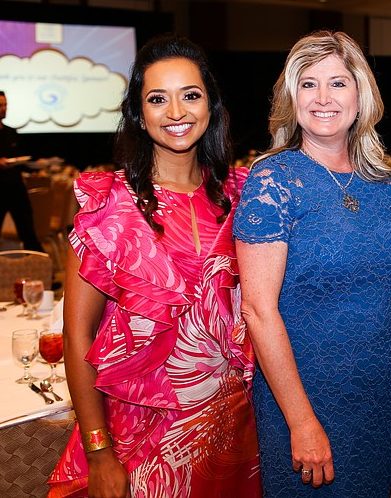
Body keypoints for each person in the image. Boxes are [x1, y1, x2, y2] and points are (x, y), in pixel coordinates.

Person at [48, 33, 261, 497]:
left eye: (191, 95)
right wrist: (99, 451)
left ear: (211, 105)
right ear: (139, 115)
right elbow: (77, 336)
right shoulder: (109, 206)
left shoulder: (246, 198)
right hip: (141, 444)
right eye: (158, 99)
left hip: (237, 436)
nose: (177, 112)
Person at [233, 31, 391, 497]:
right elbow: (258, 311)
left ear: (361, 95)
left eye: (338, 83)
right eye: (308, 84)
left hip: (375, 397)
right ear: (292, 97)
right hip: (302, 399)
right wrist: (301, 421)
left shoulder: (388, 185)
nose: (323, 98)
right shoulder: (274, 180)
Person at [0, 89, 45, 253]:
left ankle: (40, 268)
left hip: (16, 189)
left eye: (5, 105)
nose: (4, 108)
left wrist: (34, 164)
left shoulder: (11, 133)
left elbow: (20, 159)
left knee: (28, 232)